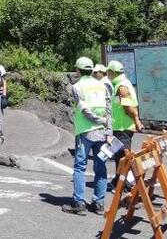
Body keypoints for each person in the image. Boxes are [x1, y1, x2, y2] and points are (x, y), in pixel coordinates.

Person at [62, 56, 111, 216]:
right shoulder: (102, 85)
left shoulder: (77, 87)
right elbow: (108, 108)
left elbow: (84, 110)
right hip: (102, 132)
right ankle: (98, 203)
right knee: (101, 165)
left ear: (78, 70)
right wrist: (107, 127)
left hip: (85, 132)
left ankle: (79, 202)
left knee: (80, 166)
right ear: (91, 70)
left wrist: (99, 120)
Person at [107, 60, 144, 189]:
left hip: (123, 128)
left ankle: (128, 185)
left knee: (124, 157)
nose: (108, 74)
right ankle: (118, 182)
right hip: (120, 127)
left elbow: (127, 106)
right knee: (119, 156)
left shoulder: (122, 86)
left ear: (112, 72)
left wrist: (136, 119)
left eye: (109, 72)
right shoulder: (122, 83)